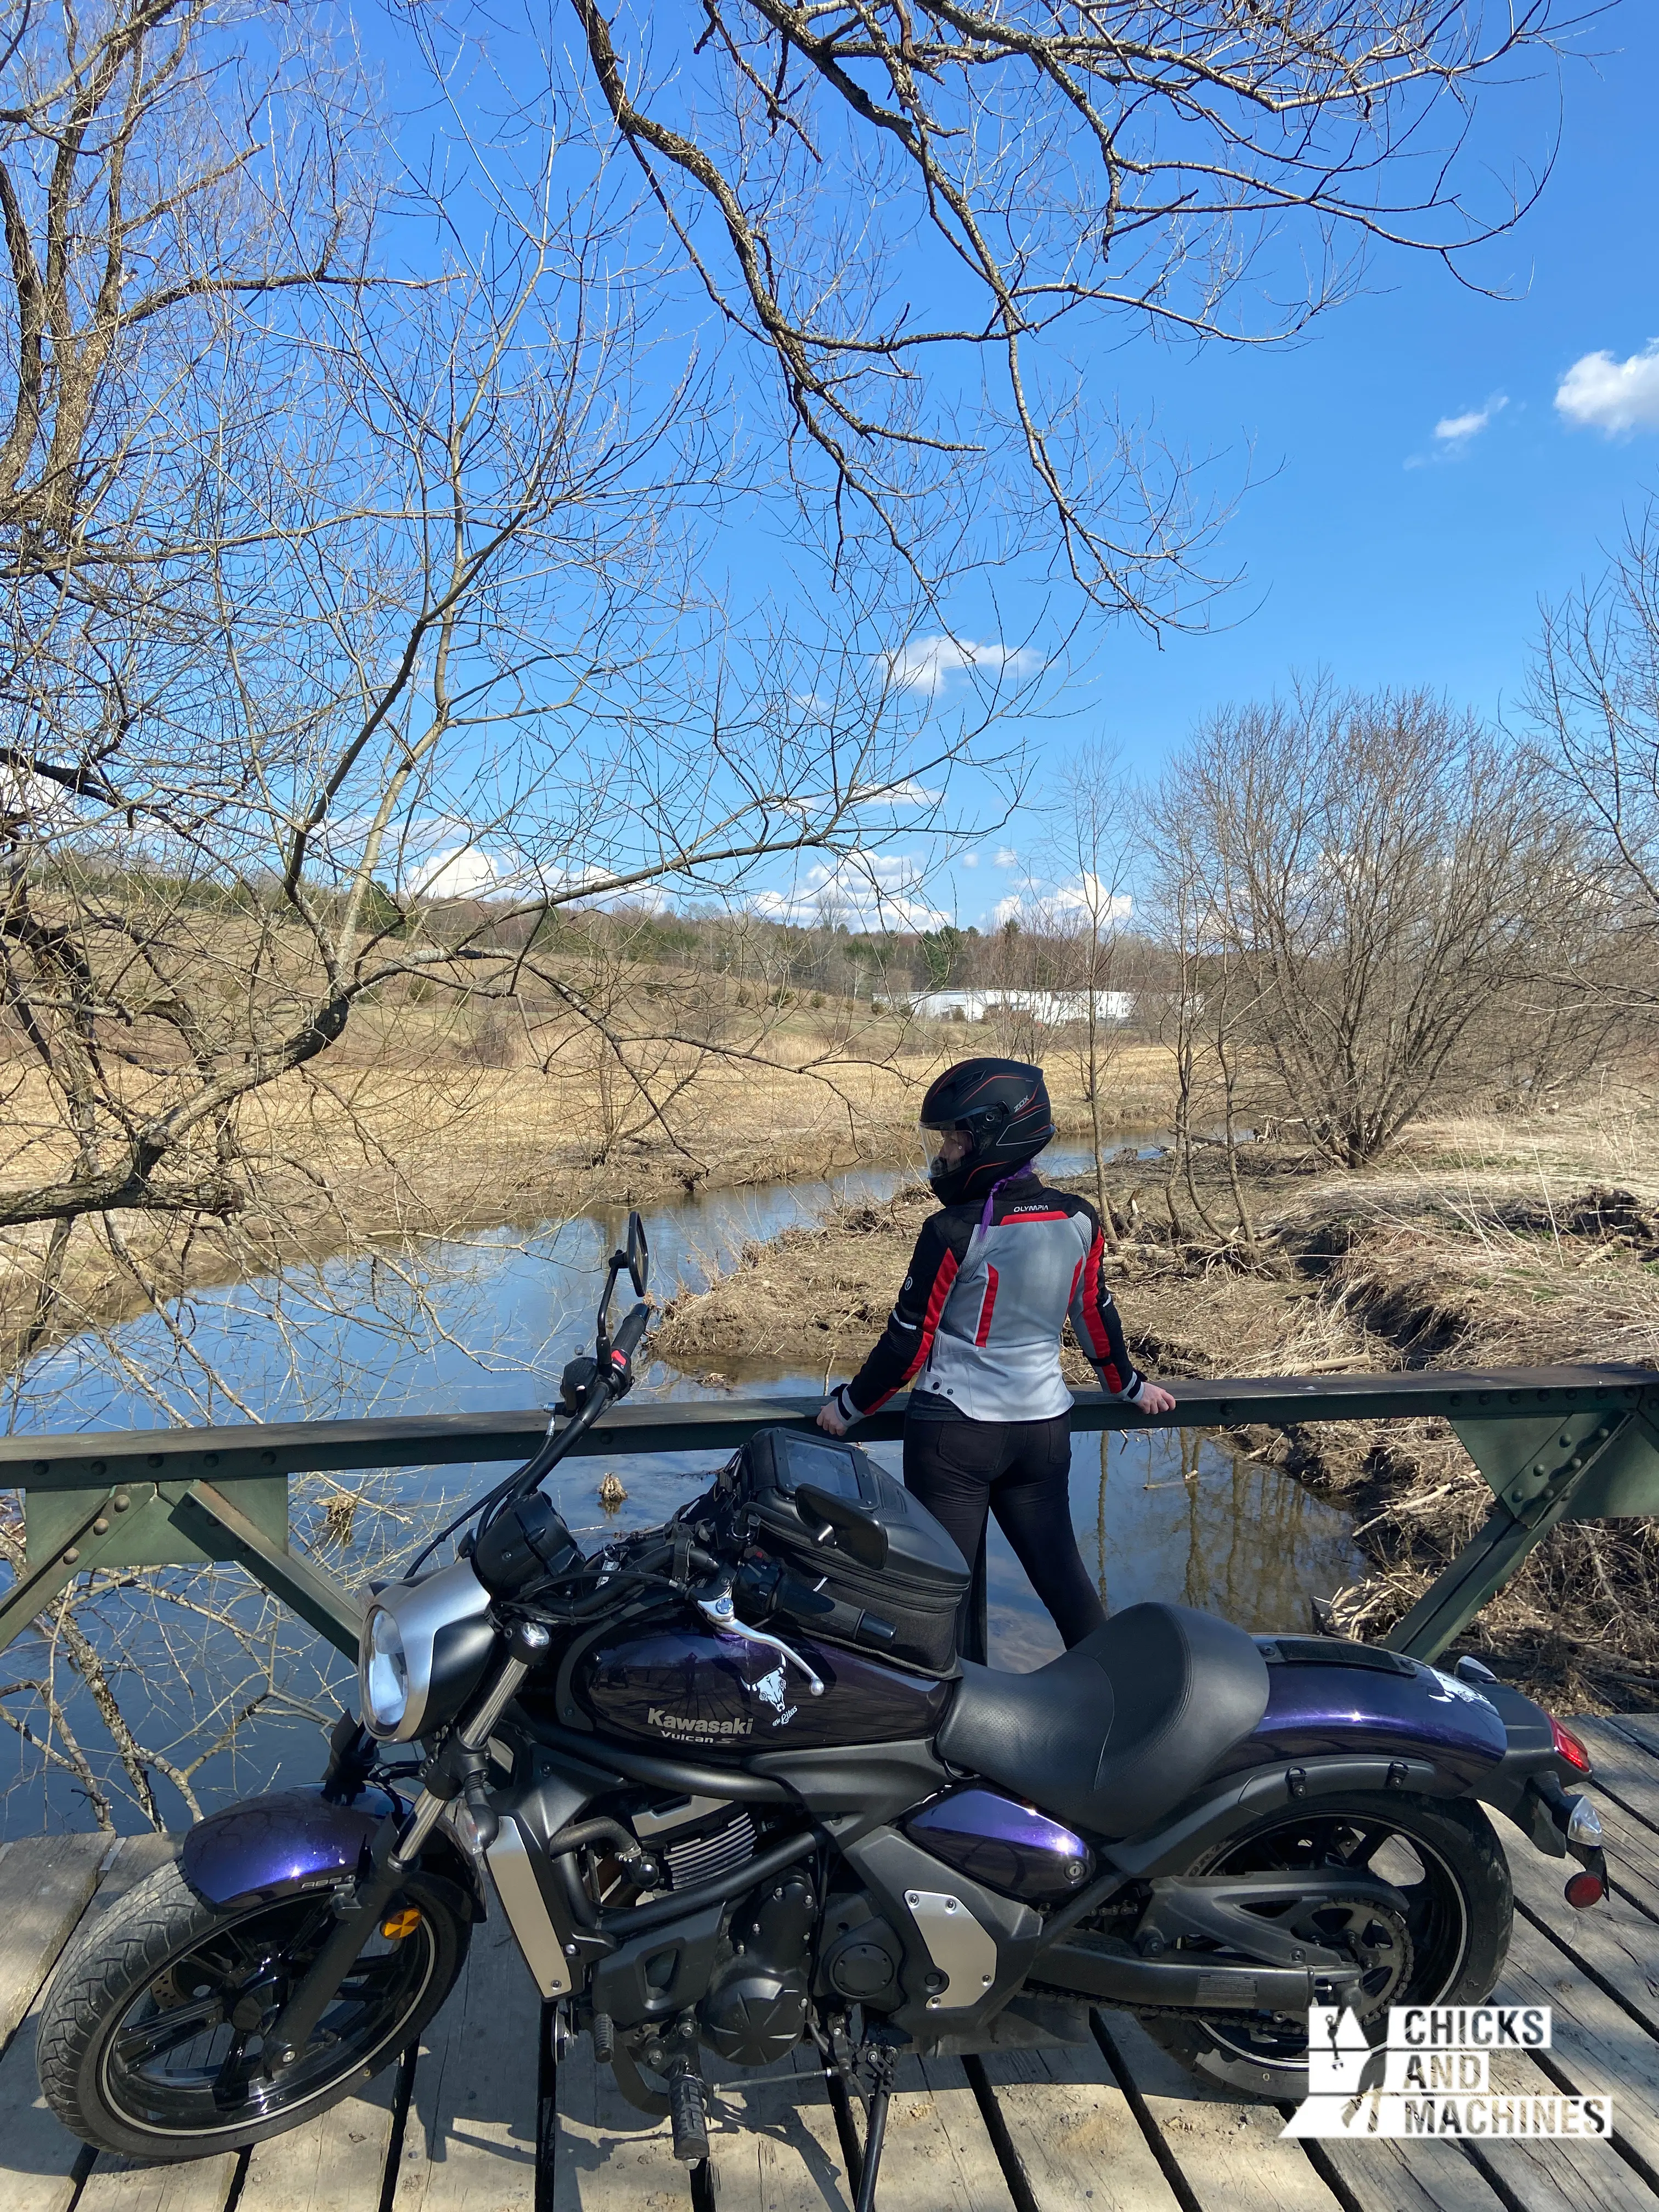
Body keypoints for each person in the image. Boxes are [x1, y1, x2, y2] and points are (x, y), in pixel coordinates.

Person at [815, 1056, 1175, 1658]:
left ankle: (960, 1741)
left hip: (955, 1436)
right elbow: (1095, 1318)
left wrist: (848, 1408)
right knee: (1066, 1584)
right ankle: (1127, 1709)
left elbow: (909, 1343)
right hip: (1043, 1431)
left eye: (956, 1140)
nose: (947, 1153)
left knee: (943, 1599)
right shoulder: (1079, 1219)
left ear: (994, 1138)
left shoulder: (952, 1231)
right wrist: (1131, 1388)